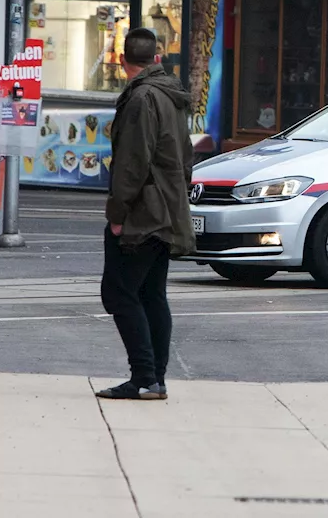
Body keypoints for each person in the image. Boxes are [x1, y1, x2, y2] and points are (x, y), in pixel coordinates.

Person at [96, 28, 195, 401]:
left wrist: (118, 213)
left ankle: (144, 377)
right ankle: (156, 378)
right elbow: (186, 155)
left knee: (120, 293)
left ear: (122, 62)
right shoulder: (171, 95)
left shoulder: (140, 99)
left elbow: (131, 165)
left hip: (144, 212)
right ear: (157, 58)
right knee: (152, 293)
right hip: (167, 208)